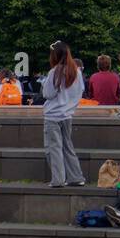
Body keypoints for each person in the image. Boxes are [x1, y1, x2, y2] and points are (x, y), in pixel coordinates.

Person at [42, 41, 85, 188]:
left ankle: (58, 179)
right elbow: (80, 92)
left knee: (54, 148)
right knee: (67, 146)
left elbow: (47, 94)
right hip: (67, 115)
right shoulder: (77, 72)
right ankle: (76, 177)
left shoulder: (54, 72)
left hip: (52, 116)